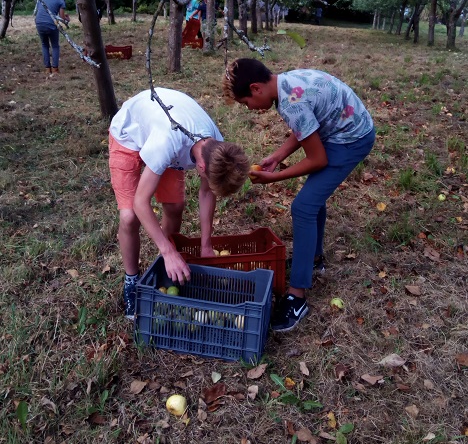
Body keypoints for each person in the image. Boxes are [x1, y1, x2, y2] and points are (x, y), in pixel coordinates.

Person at [223, 58, 375, 333]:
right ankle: (313, 259)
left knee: (303, 207)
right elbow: (307, 126)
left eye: (246, 103)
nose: (251, 109)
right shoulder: (287, 83)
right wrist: (277, 156)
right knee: (312, 202)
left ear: (256, 88)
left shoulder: (290, 103)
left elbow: (318, 160)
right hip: (346, 127)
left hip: (351, 139)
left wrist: (274, 178)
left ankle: (297, 296)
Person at [109, 88, 250, 318]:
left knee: (175, 207)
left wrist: (206, 244)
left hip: (166, 135)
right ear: (202, 168)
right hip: (129, 133)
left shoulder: (218, 148)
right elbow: (140, 202)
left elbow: (207, 193)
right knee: (129, 217)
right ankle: (131, 281)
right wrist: (168, 251)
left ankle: (165, 266)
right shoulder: (166, 143)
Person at [35, 0, 69, 76]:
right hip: (51, 24)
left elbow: (40, 10)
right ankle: (55, 69)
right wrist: (67, 18)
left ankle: (47, 69)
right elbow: (62, 18)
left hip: (39, 23)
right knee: (55, 46)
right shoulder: (60, 0)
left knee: (44, 45)